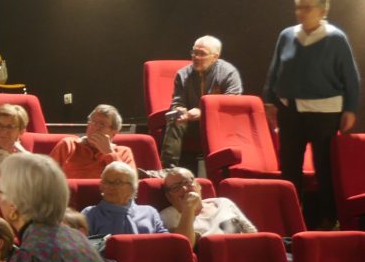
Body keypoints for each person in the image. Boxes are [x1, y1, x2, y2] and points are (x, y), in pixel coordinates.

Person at [263, 0, 362, 228]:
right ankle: (289, 219)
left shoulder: (336, 38)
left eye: (307, 8)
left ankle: (328, 219)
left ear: (322, 11)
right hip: (290, 111)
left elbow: (350, 76)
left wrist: (350, 108)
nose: (301, 12)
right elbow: (275, 69)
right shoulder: (286, 35)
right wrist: (269, 99)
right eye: (299, 7)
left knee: (324, 168)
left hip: (324, 113)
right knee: (289, 167)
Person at [161, 35, 242, 169]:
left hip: (219, 124)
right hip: (191, 124)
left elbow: (231, 106)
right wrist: (179, 110)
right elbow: (177, 101)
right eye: (194, 52)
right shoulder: (183, 74)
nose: (196, 57)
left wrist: (203, 113)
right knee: (175, 119)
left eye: (202, 54)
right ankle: (169, 169)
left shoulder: (228, 73)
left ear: (215, 57)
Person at [158, 167, 256, 248]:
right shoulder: (167, 216)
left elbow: (253, 235)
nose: (184, 189)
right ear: (169, 197)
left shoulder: (224, 202)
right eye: (176, 187)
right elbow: (183, 247)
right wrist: (188, 208)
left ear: (198, 185)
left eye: (187, 182)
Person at [50, 103, 136, 178]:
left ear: (114, 133)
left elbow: (130, 185)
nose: (95, 127)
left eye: (102, 124)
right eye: (93, 122)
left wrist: (109, 153)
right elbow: (46, 176)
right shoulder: (68, 145)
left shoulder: (124, 152)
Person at [83, 162, 168, 236]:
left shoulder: (150, 213)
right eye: (106, 182)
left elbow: (166, 243)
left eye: (118, 182)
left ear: (132, 188)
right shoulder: (90, 214)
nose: (110, 187)